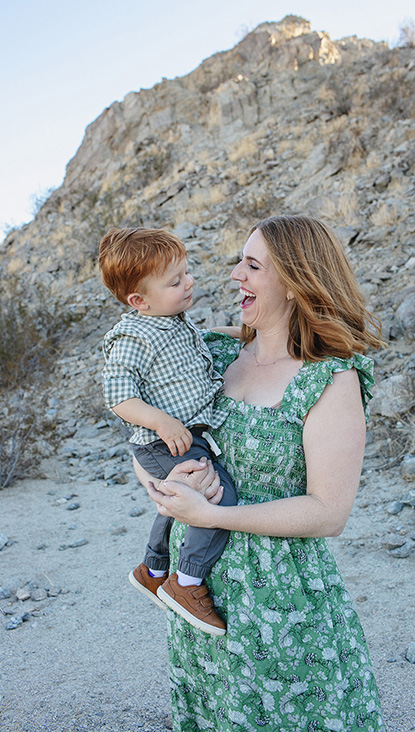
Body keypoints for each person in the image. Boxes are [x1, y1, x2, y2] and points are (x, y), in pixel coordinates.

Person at [138, 215, 386, 731]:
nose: (234, 276)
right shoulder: (214, 352)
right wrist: (162, 486)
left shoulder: (329, 380)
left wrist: (209, 511)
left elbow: (328, 513)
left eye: (252, 266)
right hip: (200, 593)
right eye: (239, 262)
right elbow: (140, 426)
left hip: (280, 598)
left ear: (296, 283)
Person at [99, 227, 237, 636]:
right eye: (175, 281)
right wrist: (161, 420)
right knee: (216, 496)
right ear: (139, 300)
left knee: (177, 500)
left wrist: (248, 334)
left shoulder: (172, 320)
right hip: (165, 439)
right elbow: (119, 397)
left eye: (187, 272)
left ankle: (153, 568)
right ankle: (187, 583)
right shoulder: (132, 337)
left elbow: (206, 340)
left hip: (183, 436)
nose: (189, 282)